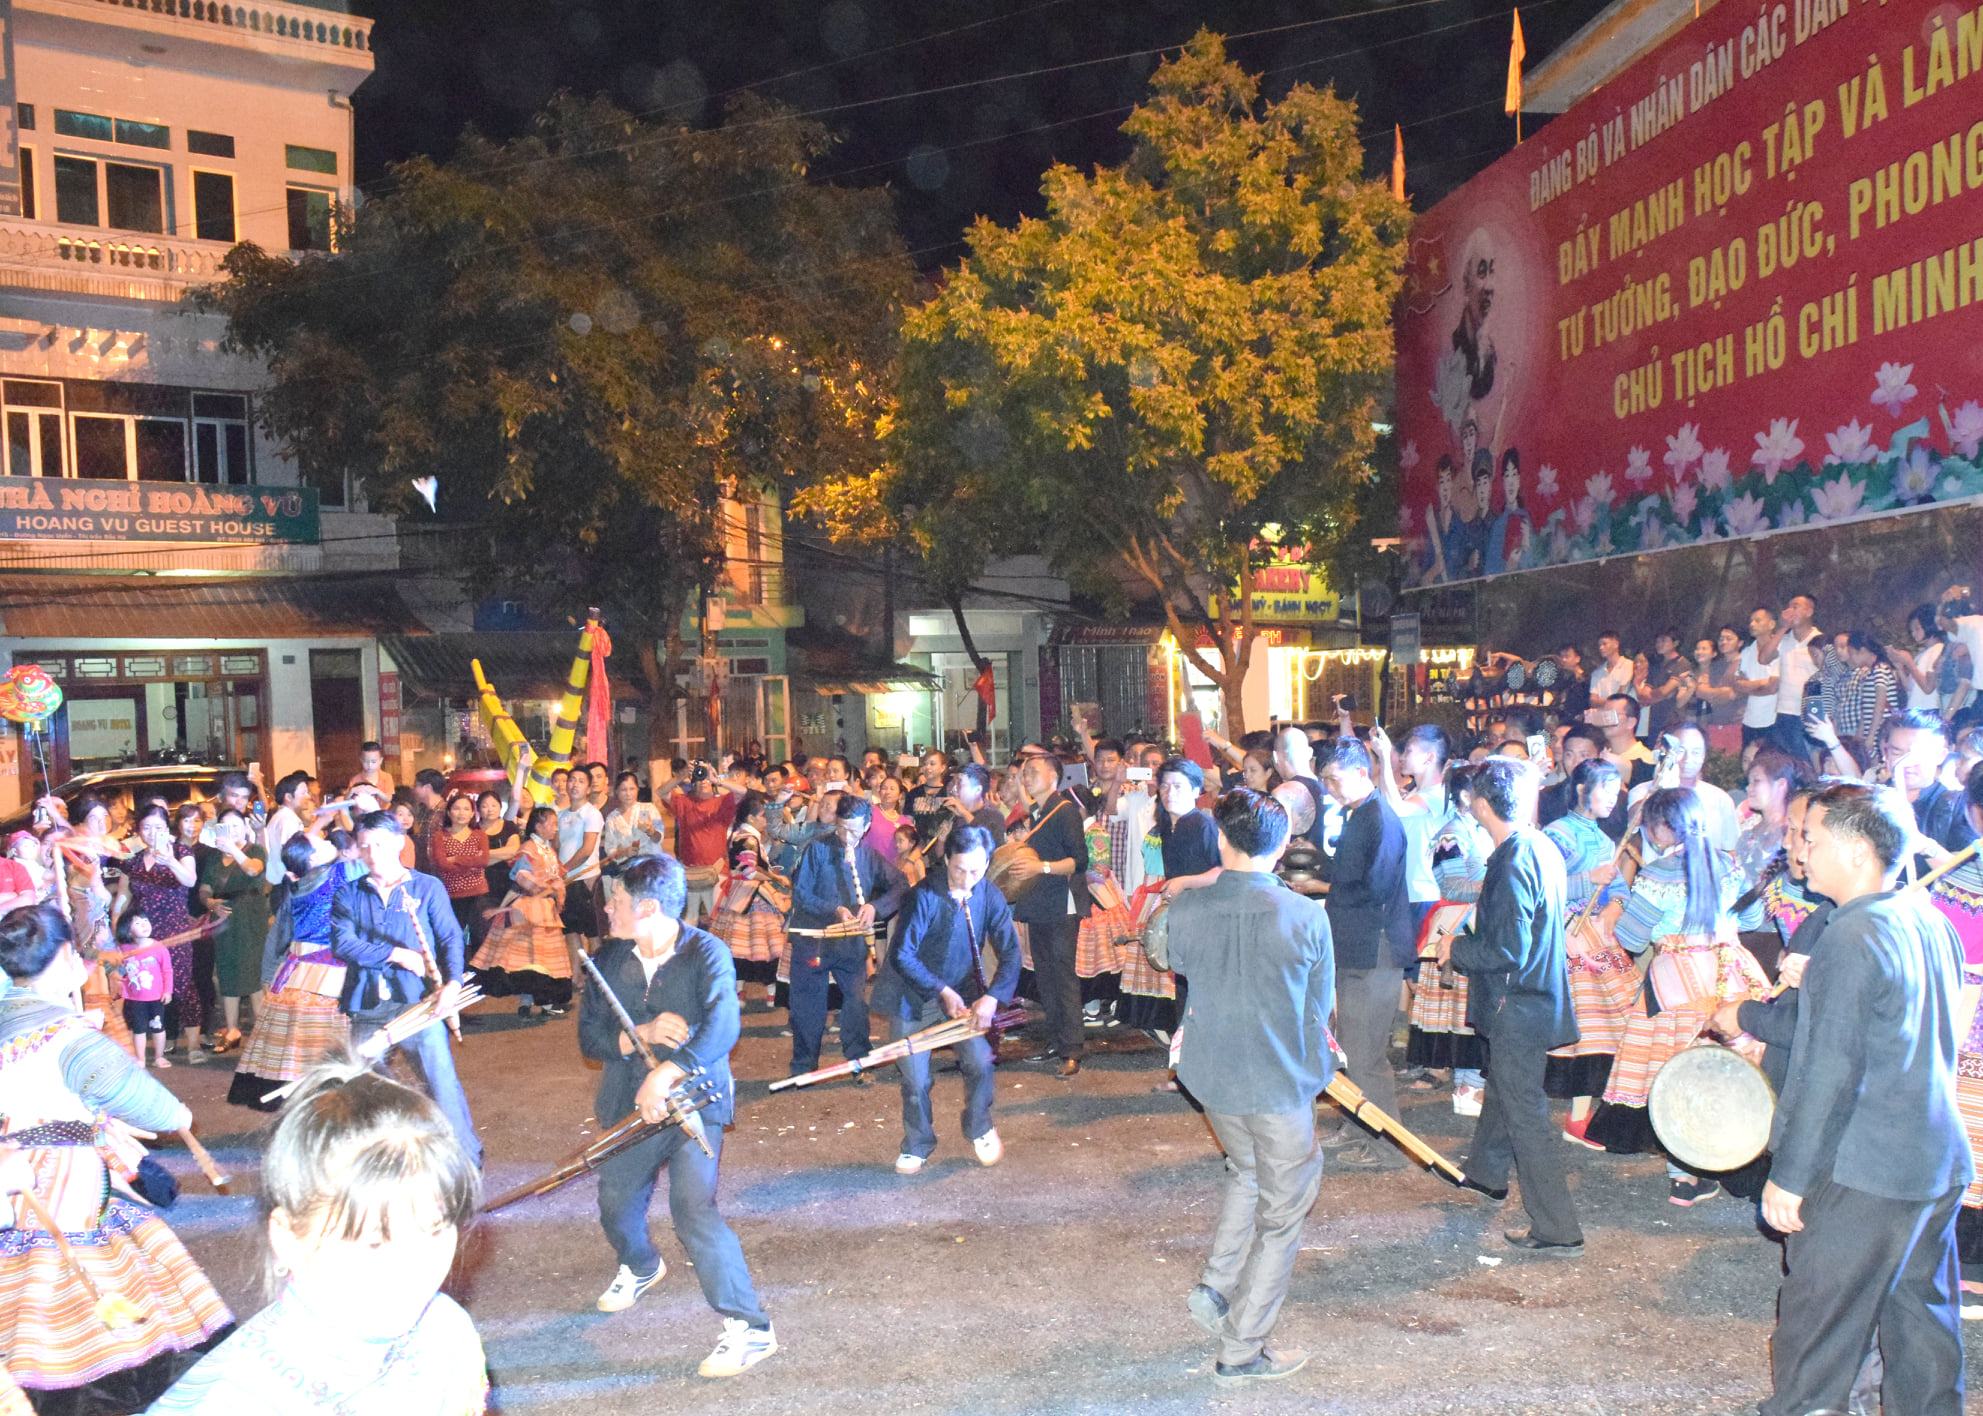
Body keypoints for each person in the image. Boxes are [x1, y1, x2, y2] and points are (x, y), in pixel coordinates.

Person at [1753, 784, 1969, 1416]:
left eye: (1811, 838)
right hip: (1932, 1160)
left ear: (1855, 851)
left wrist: (1790, 1176)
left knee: (1817, 1342)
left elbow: (1830, 1071)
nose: (1801, 851)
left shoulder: (1849, 937)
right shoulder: (1929, 918)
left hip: (1865, 1169)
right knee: (1921, 1330)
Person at [149, 1060, 488, 1413]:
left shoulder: (447, 1330)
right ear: (289, 1239)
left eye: (436, 1228)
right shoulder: (236, 1400)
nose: (416, 1268)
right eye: (375, 1242)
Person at [0, 905, 232, 1410]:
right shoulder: (68, 1038)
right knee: (76, 1256)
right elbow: (143, 1100)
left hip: (11, 1163)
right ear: (66, 956)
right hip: (62, 1169)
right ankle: (84, 1373)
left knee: (25, 1260)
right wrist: (178, 1114)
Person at [580, 853, 778, 1377]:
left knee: (693, 1209)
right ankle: (642, 1265)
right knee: (615, 1202)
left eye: (617, 900)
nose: (608, 908)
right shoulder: (608, 958)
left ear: (647, 908)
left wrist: (666, 1072)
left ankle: (751, 1329)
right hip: (629, 1105)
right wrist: (639, 1036)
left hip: (697, 1100)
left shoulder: (706, 951)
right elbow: (590, 1037)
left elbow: (723, 1027)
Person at [1168, 788, 1332, 1385]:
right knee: (1284, 1211)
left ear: (1221, 840)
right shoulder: (1306, 915)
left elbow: (1175, 960)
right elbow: (1321, 1009)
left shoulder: (1188, 908)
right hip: (1279, 1081)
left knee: (1248, 1171)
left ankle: (1215, 1288)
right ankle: (1242, 1350)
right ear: (1283, 846)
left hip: (1212, 1075)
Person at [1587, 789, 1771, 1204]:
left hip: (1675, 984)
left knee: (1675, 1077)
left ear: (1662, 827)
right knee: (1728, 1075)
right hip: (1730, 975)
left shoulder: (1658, 874)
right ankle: (1731, 1162)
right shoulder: (1731, 864)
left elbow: (1632, 938)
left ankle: (1683, 1176)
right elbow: (1754, 917)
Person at [1448, 756, 1583, 1253]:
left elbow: (1506, 949)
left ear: (1481, 805)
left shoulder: (1512, 859)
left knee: (1525, 1110)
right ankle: (1486, 1174)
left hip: (1518, 1004)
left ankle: (1557, 1226)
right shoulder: (1538, 845)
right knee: (1505, 1089)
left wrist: (1454, 949)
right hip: (1533, 1000)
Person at [329, 811, 482, 1168]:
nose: (372, 853)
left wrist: (453, 983)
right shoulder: (349, 893)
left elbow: (450, 938)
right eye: (364, 846)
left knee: (440, 1080)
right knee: (364, 1084)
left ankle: (464, 1158)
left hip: (419, 1002)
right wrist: (395, 954)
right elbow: (342, 943)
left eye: (380, 844)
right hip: (368, 1003)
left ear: (399, 843)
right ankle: (380, 1161)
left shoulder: (426, 887)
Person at [873, 826, 1020, 1174]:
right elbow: (902, 955)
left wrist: (992, 998)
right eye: (959, 870)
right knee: (915, 1080)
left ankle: (979, 1126)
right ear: (946, 859)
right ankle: (917, 1144)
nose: (967, 880)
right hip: (914, 997)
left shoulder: (989, 894)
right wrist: (941, 990)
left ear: (987, 863)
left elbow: (1012, 952)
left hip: (964, 998)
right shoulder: (922, 896)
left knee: (981, 1062)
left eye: (976, 870)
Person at [1317, 739, 1413, 1168]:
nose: (1329, 788)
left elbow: (1376, 888)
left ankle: (1389, 1147)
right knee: (1350, 1048)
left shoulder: (1380, 818)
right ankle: (1358, 1126)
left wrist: (1323, 887)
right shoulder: (1361, 814)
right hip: (1357, 948)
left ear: (1361, 772)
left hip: (1376, 950)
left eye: (1333, 779)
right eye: (1325, 780)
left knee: (1366, 1055)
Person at [229, 834, 355, 1110]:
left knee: (292, 1044)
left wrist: (267, 973)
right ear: (312, 858)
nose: (328, 841)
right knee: (321, 1042)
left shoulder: (299, 883)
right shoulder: (336, 874)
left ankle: (296, 1099)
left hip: (295, 969)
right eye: (321, 842)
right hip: (324, 973)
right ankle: (324, 1099)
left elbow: (279, 933)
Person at [1542, 758, 1633, 1143]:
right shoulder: (1556, 834)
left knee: (1608, 1029)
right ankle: (1573, 1118)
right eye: (1605, 789)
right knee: (1584, 1032)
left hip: (1597, 935)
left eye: (1616, 791)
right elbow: (1541, 886)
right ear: (1582, 790)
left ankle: (1583, 1115)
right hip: (1565, 936)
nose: (1612, 798)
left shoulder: (1607, 840)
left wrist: (1613, 908)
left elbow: (1619, 890)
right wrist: (1587, 880)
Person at [785, 795, 905, 1078]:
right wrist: (834, 909)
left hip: (850, 941)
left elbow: (901, 884)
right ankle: (804, 1066)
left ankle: (858, 1061)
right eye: (841, 828)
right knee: (808, 1005)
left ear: (866, 826)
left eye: (853, 830)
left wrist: (875, 907)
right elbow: (801, 894)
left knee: (855, 1002)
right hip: (813, 938)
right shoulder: (817, 849)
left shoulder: (869, 855)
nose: (846, 836)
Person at [1921, 770, 1983, 1320]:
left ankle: (1968, 1268)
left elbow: (1947, 960)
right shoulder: (1956, 873)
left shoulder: (1958, 879)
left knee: (1966, 1136)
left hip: (1967, 1024)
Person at [1005, 753, 1090, 1078]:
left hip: (1061, 904)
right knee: (1045, 977)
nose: (1027, 777)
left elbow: (1079, 861)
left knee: (1063, 977)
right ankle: (1056, 1041)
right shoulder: (1038, 812)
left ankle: (1073, 1050)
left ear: (1054, 776)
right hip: (1039, 903)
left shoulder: (1064, 811)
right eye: (1025, 772)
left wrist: (1040, 867)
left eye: (1033, 772)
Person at [472, 805, 574, 1017]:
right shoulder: (528, 848)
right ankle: (539, 1003)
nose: (555, 828)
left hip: (545, 910)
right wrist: (546, 887)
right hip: (530, 910)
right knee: (531, 958)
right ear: (538, 826)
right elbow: (521, 877)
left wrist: (557, 889)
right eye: (552, 824)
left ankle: (532, 1002)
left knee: (539, 958)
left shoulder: (548, 850)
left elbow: (555, 877)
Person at [119, 806, 203, 1060]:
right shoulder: (133, 861)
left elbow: (190, 880)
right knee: (148, 987)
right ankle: (159, 1040)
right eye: (146, 827)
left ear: (167, 829)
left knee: (182, 984)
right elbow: (122, 897)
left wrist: (170, 862)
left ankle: (194, 1045)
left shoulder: (181, 851)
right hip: (144, 934)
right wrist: (117, 930)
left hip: (175, 931)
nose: (152, 832)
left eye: (158, 827)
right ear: (138, 830)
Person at [198, 808, 269, 1057]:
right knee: (227, 970)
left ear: (245, 827)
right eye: (226, 827)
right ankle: (232, 1030)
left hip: (250, 917)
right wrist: (210, 903)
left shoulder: (255, 850)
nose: (232, 831)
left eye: (236, 826)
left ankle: (262, 1033)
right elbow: (205, 887)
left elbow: (252, 870)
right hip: (223, 918)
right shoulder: (213, 858)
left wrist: (233, 848)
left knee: (253, 973)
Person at [428, 793, 492, 956]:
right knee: (453, 937)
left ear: (472, 813)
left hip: (477, 893)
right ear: (449, 812)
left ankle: (478, 970)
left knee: (480, 936)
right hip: (452, 895)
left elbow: (483, 861)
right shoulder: (440, 836)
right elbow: (442, 864)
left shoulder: (480, 835)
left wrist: (455, 858)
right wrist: (471, 862)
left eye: (466, 809)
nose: (461, 813)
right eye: (456, 808)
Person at [115, 909, 173, 1069]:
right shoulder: (124, 949)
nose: (144, 925)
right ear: (128, 929)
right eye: (138, 923)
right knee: (138, 1029)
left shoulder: (159, 947)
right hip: (135, 999)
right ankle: (140, 1059)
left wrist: (167, 991)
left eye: (146, 921)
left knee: (158, 1027)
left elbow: (167, 971)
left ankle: (159, 1057)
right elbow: (119, 970)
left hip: (156, 998)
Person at [1734, 607, 1784, 749]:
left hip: (1774, 720)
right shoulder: (1746, 652)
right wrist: (1762, 683)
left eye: (1757, 620)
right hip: (1750, 720)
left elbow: (1772, 688)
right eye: (1751, 621)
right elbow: (1737, 684)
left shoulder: (1781, 648)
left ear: (1771, 624)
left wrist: (1748, 686)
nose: (1752, 624)